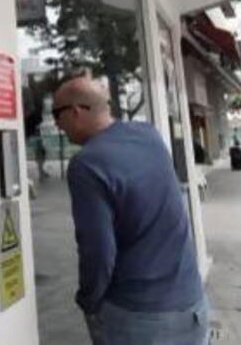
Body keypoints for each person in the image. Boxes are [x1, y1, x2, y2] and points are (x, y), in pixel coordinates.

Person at [53, 72, 209, 345]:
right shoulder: (149, 135)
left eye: (57, 115)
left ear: (76, 111)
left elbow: (98, 251)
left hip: (141, 319)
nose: (58, 126)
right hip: (193, 304)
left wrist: (88, 300)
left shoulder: (87, 165)